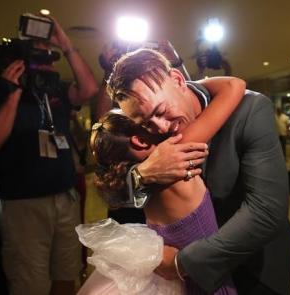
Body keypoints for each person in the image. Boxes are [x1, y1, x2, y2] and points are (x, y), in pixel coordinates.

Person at [106, 49, 290, 295]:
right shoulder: (147, 126)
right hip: (189, 281)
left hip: (252, 267)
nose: (160, 128)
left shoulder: (251, 110)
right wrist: (142, 175)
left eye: (161, 111)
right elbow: (115, 191)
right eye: (146, 124)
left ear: (177, 80)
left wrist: (181, 263)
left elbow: (267, 211)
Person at [0, 15, 98, 295]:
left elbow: (89, 89)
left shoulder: (54, 88)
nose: (49, 64)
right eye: (40, 58)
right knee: (31, 285)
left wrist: (66, 45)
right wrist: (14, 91)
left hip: (64, 197)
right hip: (23, 204)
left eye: (51, 57)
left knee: (66, 276)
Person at [91, 76, 245, 294]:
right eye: (145, 122)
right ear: (140, 141)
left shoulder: (145, 183)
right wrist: (178, 84)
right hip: (209, 284)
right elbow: (233, 85)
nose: (162, 126)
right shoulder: (177, 154)